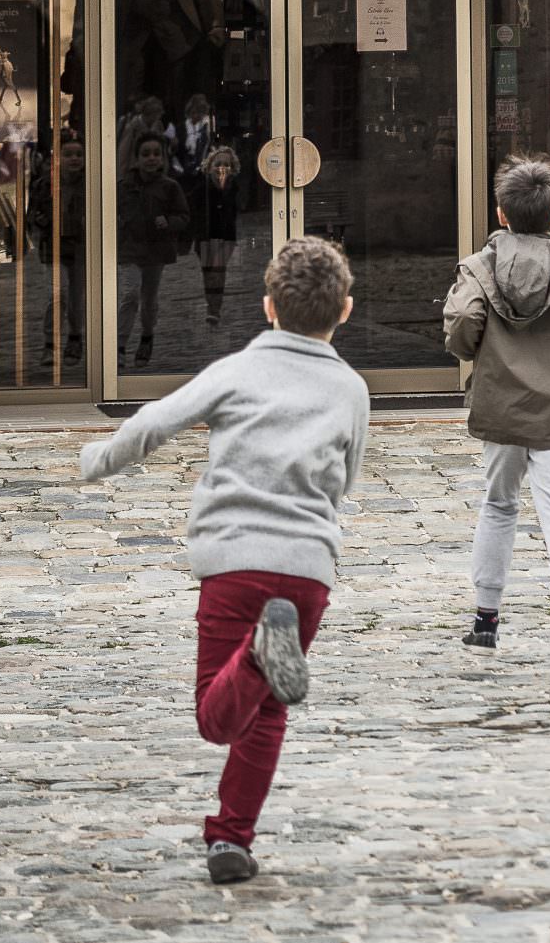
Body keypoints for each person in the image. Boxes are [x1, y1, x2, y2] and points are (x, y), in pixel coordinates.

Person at [80, 237, 368, 887]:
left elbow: (156, 420)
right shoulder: (351, 388)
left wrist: (98, 461)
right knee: (264, 715)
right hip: (305, 572)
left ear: (267, 306)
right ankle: (230, 839)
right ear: (345, 310)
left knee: (218, 718)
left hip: (235, 563)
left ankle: (261, 655)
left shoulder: (237, 370)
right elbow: (347, 478)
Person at [441, 156, 550, 689]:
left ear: (500, 211)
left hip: (501, 406)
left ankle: (486, 619)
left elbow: (462, 328)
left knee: (498, 505)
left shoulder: (477, 268)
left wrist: (479, 352)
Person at [115, 134, 191, 368]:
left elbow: (184, 216)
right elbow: (111, 212)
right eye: (145, 154)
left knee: (149, 299)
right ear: (136, 158)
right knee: (130, 294)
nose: (151, 158)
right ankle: (118, 346)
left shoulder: (170, 187)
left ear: (163, 158)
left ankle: (147, 337)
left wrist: (168, 222)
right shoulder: (124, 186)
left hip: (155, 250)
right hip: (130, 248)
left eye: (156, 154)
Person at [28, 134, 86, 367]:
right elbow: (32, 214)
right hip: (53, 247)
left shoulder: (91, 182)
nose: (74, 159)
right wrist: (41, 220)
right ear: (58, 158)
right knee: (58, 293)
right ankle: (50, 344)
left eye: (79, 154)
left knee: (76, 298)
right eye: (69, 154)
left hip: (82, 247)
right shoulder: (44, 185)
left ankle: (75, 338)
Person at [192, 144, 243, 329]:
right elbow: (194, 213)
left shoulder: (233, 187)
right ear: (209, 166)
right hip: (205, 237)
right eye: (218, 164)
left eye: (227, 165)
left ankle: (214, 311)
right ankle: (211, 306)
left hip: (225, 238)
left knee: (218, 272)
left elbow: (237, 208)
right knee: (208, 274)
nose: (222, 168)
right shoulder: (201, 187)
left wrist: (224, 189)